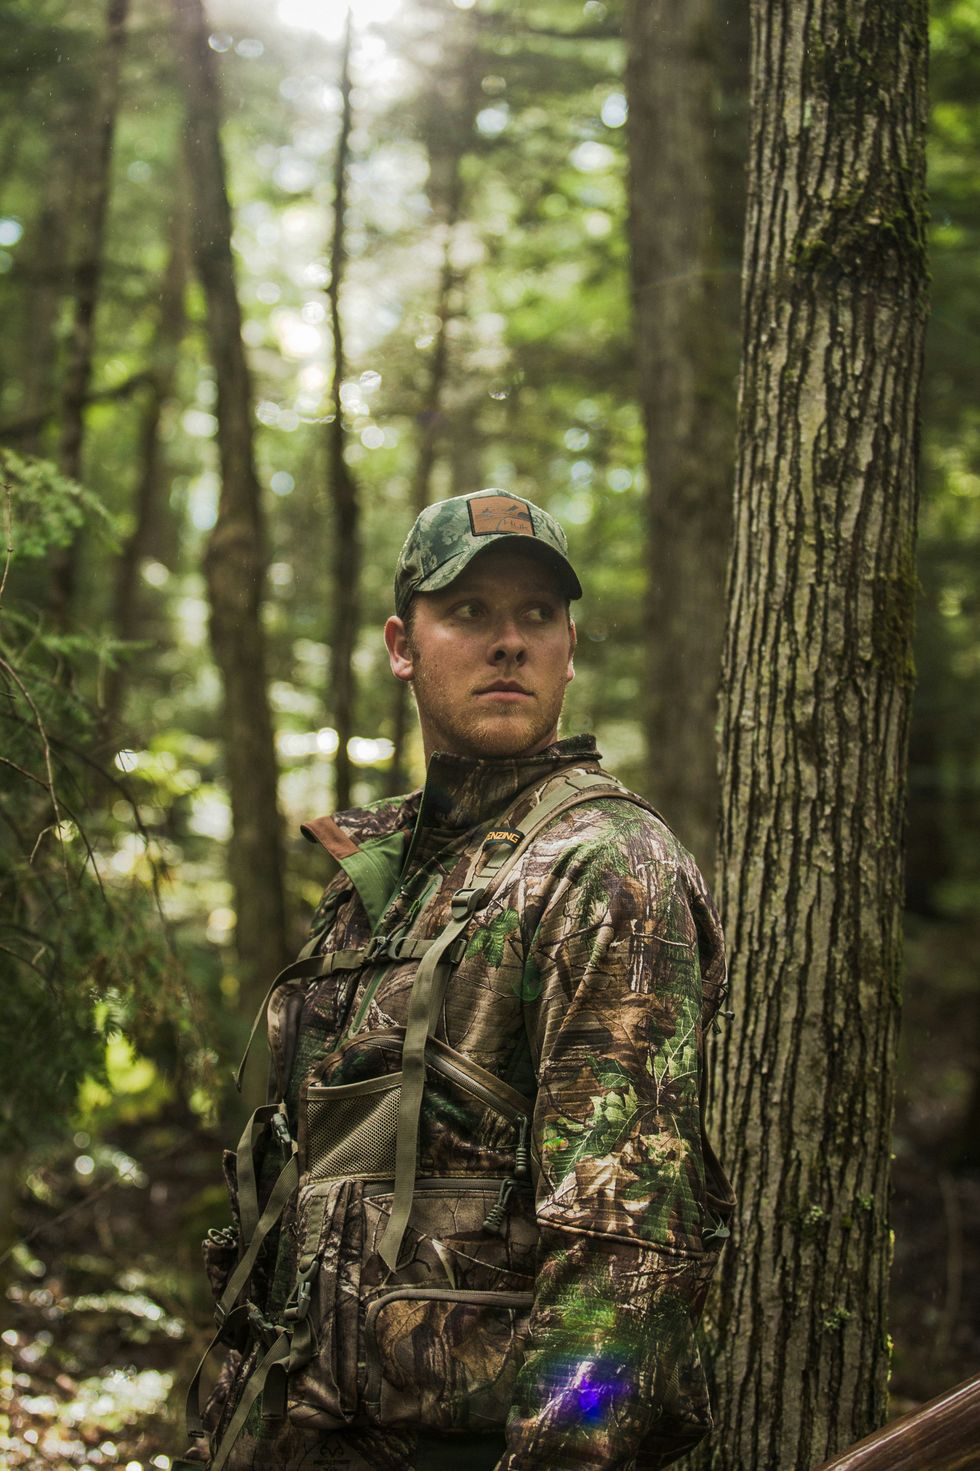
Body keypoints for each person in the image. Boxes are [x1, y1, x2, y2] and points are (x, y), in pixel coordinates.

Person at [188, 489, 733, 1471]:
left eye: (536, 616)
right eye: (469, 611)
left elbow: (627, 1257)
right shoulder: (380, 871)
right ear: (404, 643)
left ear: (569, 645)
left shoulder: (606, 868)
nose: (508, 642)